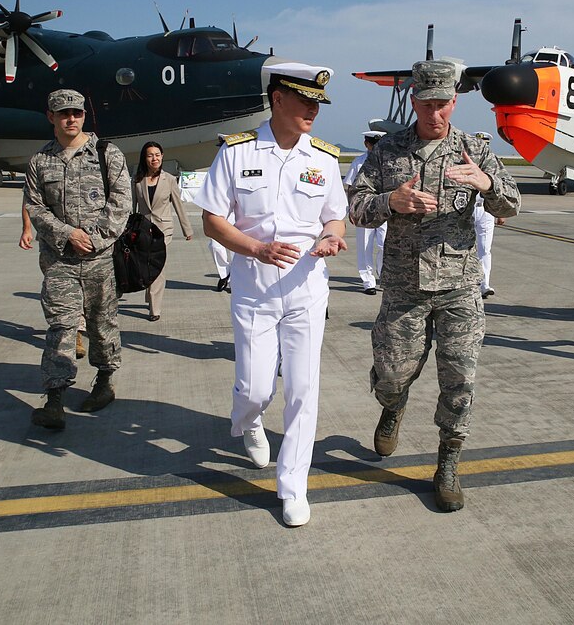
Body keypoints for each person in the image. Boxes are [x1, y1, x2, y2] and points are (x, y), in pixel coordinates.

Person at [348, 59, 520, 513]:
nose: (435, 113)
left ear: (454, 101)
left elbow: (513, 202)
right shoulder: (388, 151)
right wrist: (391, 201)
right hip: (404, 286)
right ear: (413, 101)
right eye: (426, 104)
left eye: (443, 104)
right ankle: (393, 403)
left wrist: (486, 184)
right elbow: (356, 208)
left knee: (459, 378)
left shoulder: (474, 149)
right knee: (391, 373)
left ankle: (448, 463)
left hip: (460, 286)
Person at [192, 62, 347, 527]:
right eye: (305, 101)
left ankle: (293, 485)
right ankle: (249, 420)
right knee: (257, 387)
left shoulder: (322, 158)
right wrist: (256, 248)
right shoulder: (236, 153)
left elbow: (335, 217)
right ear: (277, 99)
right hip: (254, 292)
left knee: (302, 389)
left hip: (305, 289)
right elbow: (212, 219)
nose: (313, 111)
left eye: (318, 103)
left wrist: (332, 237)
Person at [23, 89, 132, 430]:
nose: (71, 119)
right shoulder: (40, 161)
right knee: (62, 327)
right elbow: (35, 207)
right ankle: (55, 398)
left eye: (77, 113)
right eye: (64, 113)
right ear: (51, 117)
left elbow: (121, 203)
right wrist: (68, 234)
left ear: (85, 115)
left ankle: (104, 381)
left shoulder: (106, 154)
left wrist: (95, 239)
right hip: (59, 261)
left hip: (100, 259)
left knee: (102, 323)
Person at [132, 141, 194, 321]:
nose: (154, 158)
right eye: (150, 155)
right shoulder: (137, 180)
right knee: (146, 265)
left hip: (163, 229)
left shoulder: (169, 179)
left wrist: (186, 229)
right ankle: (150, 295)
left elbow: (178, 205)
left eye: (157, 155)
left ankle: (155, 309)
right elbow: (132, 207)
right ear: (145, 158)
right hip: (144, 229)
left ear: (162, 156)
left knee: (158, 266)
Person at [21, 204, 86, 359]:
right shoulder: (39, 179)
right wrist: (27, 229)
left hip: (84, 239)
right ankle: (69, 334)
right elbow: (29, 202)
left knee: (81, 290)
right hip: (52, 244)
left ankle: (76, 332)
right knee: (58, 294)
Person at [343, 130, 387, 294]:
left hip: (384, 210)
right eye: (373, 144)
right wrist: (352, 210)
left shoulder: (388, 160)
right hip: (364, 210)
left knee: (385, 245)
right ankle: (368, 281)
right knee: (365, 246)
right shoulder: (359, 162)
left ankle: (383, 274)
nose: (376, 147)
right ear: (366, 144)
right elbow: (350, 187)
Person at [472, 204, 506, 299]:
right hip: (465, 208)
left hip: (486, 209)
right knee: (462, 247)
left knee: (484, 249)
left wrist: (500, 213)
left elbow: (497, 191)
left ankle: (484, 285)